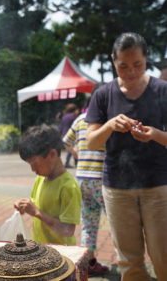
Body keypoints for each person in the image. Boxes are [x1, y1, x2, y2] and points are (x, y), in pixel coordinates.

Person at [85, 32, 167, 281]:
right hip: (117, 189)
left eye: (137, 65)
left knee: (163, 255)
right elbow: (91, 142)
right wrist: (109, 125)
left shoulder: (162, 90)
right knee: (128, 260)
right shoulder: (103, 94)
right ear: (113, 60)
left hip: (158, 187)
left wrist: (155, 135)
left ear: (146, 60)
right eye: (123, 66)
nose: (130, 72)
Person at [63, 91, 109, 277]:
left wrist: (77, 155)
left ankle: (87, 264)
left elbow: (66, 141)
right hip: (102, 179)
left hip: (82, 178)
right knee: (118, 225)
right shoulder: (108, 119)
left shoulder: (80, 118)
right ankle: (127, 266)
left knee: (89, 225)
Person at [14, 125, 81, 245]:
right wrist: (25, 205)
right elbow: (37, 205)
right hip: (41, 248)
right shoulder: (40, 179)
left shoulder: (68, 187)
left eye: (35, 163)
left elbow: (67, 230)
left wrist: (37, 213)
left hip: (61, 253)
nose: (33, 169)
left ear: (52, 154)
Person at [59, 103, 80, 167]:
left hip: (64, 134)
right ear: (74, 110)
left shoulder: (64, 116)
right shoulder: (73, 117)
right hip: (71, 134)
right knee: (72, 149)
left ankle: (74, 162)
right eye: (77, 110)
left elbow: (61, 126)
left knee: (70, 148)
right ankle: (69, 162)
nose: (78, 111)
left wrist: (60, 133)